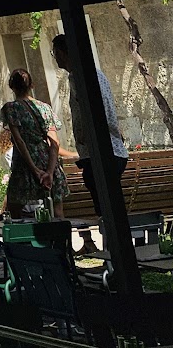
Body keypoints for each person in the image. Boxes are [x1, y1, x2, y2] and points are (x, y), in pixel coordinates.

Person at [51, 33, 128, 218]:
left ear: (62, 53)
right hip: (113, 149)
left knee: (106, 209)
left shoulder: (79, 76)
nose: (55, 58)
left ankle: (115, 244)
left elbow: (92, 108)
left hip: (100, 152)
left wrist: (87, 134)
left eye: (54, 53)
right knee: (110, 204)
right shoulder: (96, 72)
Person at [0, 68, 66, 219]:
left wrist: (35, 170)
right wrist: (49, 171)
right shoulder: (45, 108)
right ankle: (62, 241)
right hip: (48, 160)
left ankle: (22, 242)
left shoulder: (11, 108)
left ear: (11, 86)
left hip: (25, 164)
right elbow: (55, 143)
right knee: (57, 210)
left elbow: (19, 141)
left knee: (15, 208)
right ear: (32, 85)